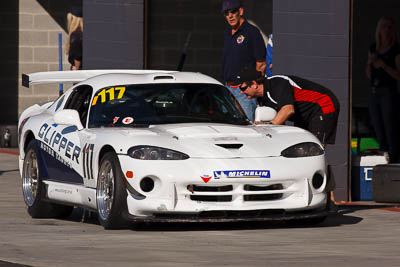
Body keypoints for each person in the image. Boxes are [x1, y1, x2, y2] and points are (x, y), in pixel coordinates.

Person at [238, 66, 340, 207]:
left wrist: (270, 125)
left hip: (323, 105)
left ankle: (329, 199)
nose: (241, 92)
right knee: (301, 153)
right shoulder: (262, 100)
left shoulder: (277, 84)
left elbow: (287, 110)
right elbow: (277, 124)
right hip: (304, 114)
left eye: (243, 88)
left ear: (254, 84)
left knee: (316, 152)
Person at [221, 0, 266, 122]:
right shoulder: (228, 33)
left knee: (245, 128)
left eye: (233, 11)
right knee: (226, 127)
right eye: (226, 13)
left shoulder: (252, 32)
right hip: (227, 90)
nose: (230, 16)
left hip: (244, 92)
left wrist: (249, 86)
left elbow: (261, 64)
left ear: (240, 11)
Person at [366, 16, 400, 163]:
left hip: (388, 92)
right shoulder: (374, 48)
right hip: (374, 91)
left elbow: (398, 75)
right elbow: (368, 75)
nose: (386, 30)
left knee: (389, 125)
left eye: (389, 27)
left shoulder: (396, 50)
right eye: (384, 27)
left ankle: (394, 157)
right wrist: (370, 63)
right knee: (377, 124)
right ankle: (383, 153)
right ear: (379, 30)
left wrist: (384, 66)